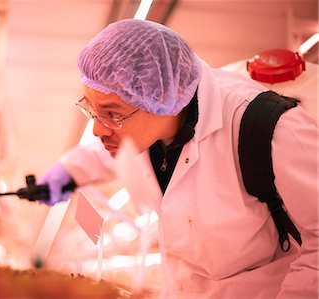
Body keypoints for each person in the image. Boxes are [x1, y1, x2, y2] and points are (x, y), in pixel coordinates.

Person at [37, 19, 318, 299]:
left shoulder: (268, 129)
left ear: (160, 98)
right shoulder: (151, 124)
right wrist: (70, 169)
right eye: (91, 108)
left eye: (111, 113)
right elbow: (113, 147)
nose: (97, 129)